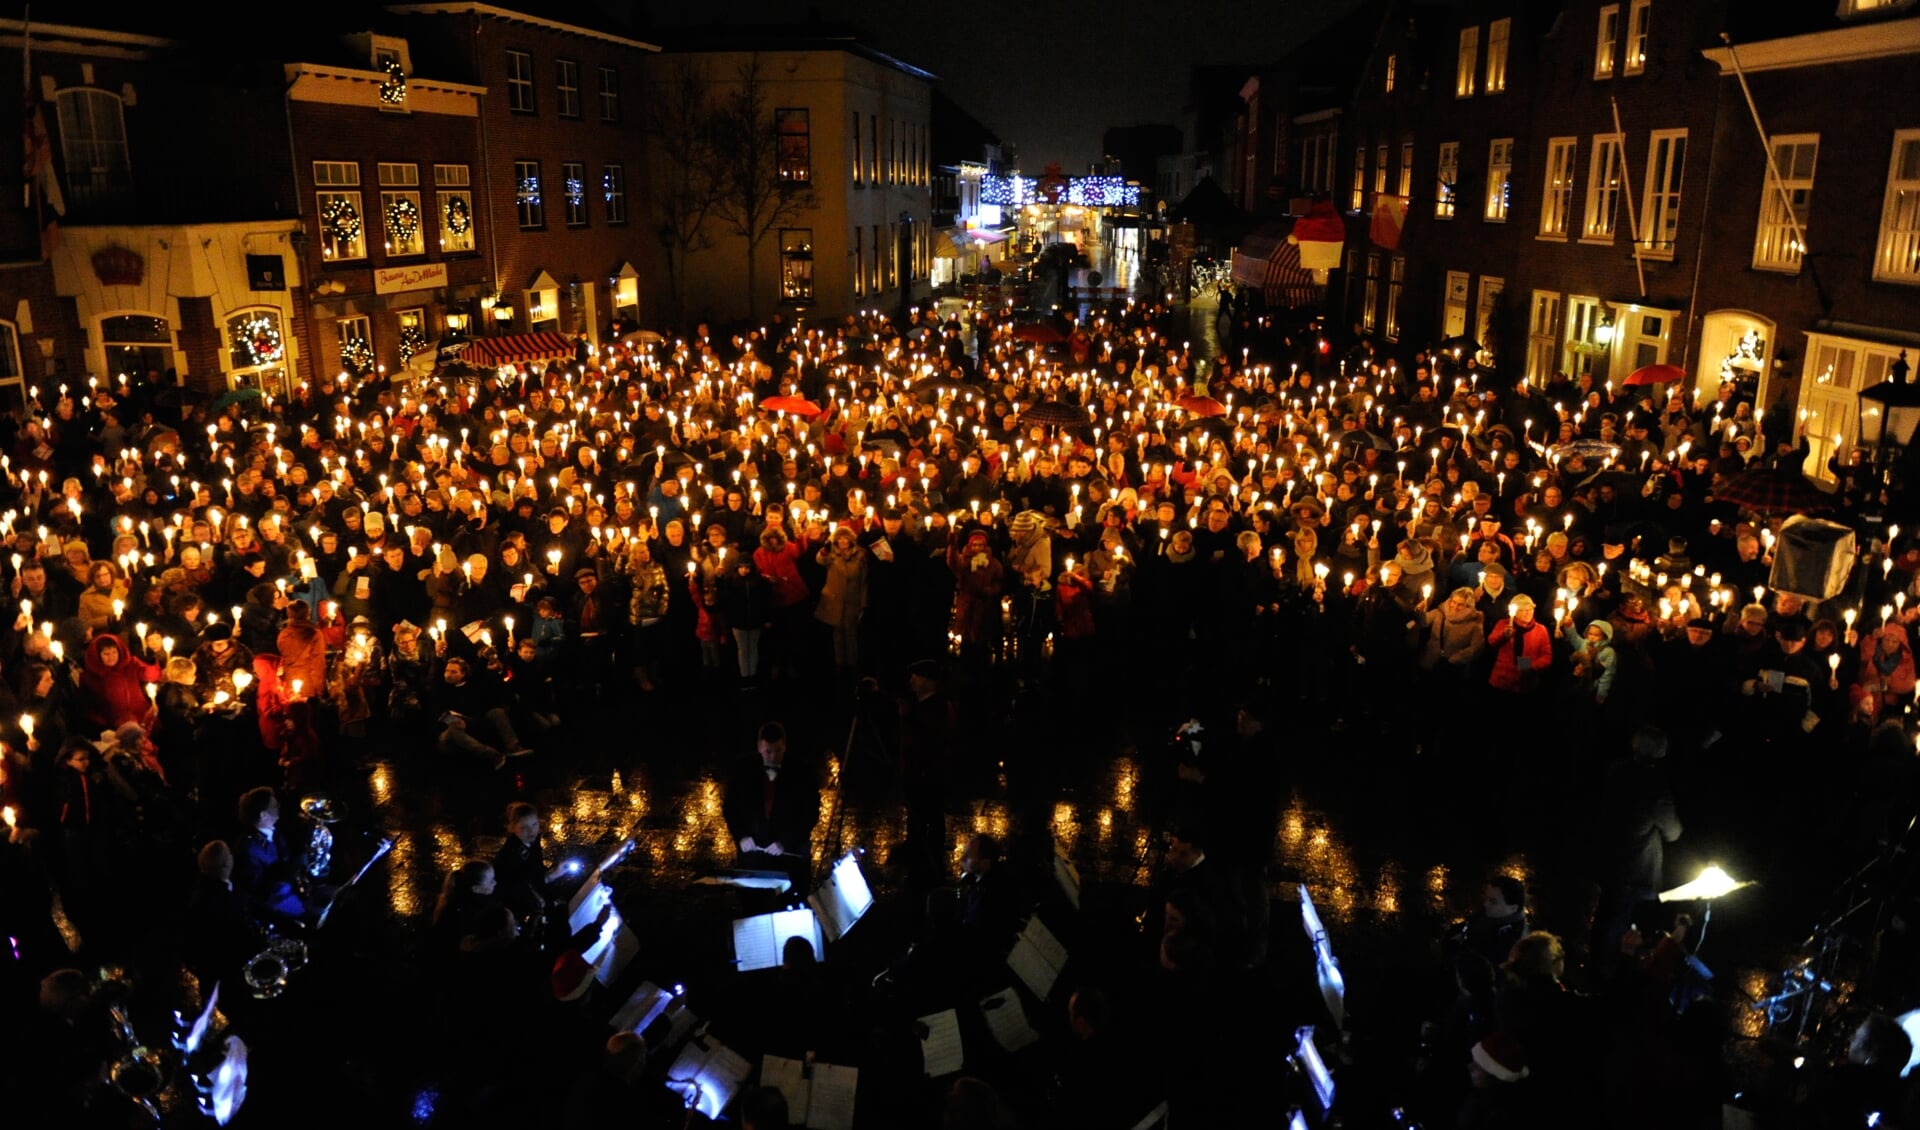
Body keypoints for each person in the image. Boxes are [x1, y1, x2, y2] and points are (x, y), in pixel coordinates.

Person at [723, 722, 815, 884]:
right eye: (768, 752)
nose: (773, 757)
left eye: (778, 751)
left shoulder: (803, 771)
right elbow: (731, 808)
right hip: (753, 854)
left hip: (790, 854)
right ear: (759, 747)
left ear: (784, 746)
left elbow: (810, 813)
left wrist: (785, 842)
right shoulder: (742, 768)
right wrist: (742, 836)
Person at [231, 786, 308, 928]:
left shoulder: (276, 834)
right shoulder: (249, 848)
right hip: (274, 909)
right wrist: (291, 870)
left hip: (291, 896)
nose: (278, 807)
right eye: (274, 806)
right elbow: (261, 892)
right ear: (263, 815)